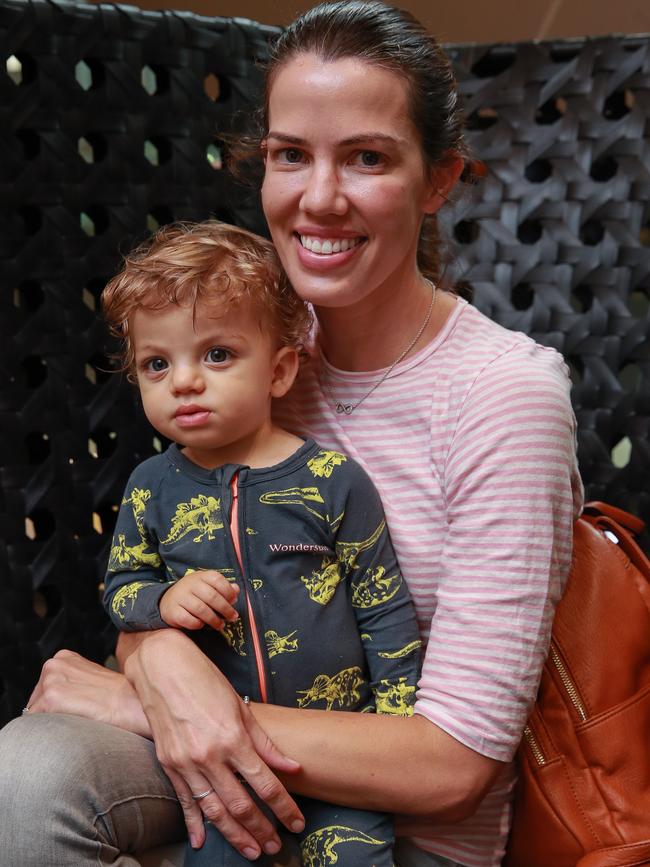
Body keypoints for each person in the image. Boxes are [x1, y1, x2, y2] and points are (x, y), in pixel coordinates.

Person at [0, 3, 583, 867]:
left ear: (439, 181)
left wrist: (145, 703)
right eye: (289, 154)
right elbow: (166, 562)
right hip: (217, 786)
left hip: (397, 833)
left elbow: (454, 763)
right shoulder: (246, 355)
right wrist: (154, 651)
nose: (318, 197)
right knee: (25, 775)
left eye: (367, 157)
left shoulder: (505, 394)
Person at [100, 219, 421, 867]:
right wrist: (164, 601)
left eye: (216, 354)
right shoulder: (151, 487)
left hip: (341, 760)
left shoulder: (332, 481)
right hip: (221, 765)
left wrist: (397, 730)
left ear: (278, 370)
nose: (183, 381)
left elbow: (384, 609)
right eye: (157, 364)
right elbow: (118, 590)